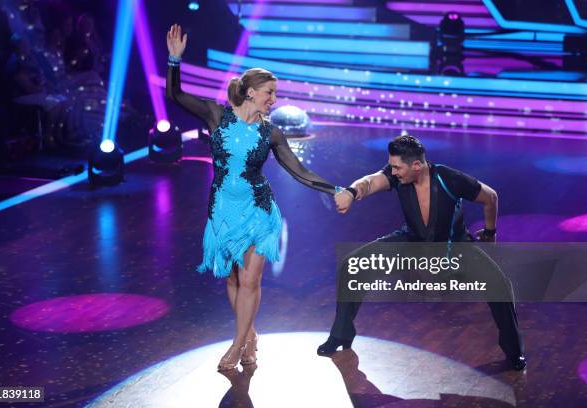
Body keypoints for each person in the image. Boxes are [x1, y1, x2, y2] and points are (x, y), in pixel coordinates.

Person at [166, 24, 349, 371]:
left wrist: (334, 188)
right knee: (234, 279)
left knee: (250, 280)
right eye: (268, 92)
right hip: (222, 210)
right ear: (249, 92)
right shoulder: (216, 116)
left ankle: (236, 347)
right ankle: (249, 334)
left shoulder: (271, 132)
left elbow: (299, 171)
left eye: (274, 94)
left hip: (258, 211)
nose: (273, 99)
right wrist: (174, 61)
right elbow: (175, 96)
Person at [317, 133, 527, 371]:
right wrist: (352, 193)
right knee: (352, 265)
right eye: (392, 166)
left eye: (397, 167)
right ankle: (342, 334)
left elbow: (490, 197)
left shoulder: (450, 178)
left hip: (454, 248)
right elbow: (371, 181)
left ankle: (514, 352)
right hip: (412, 242)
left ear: (417, 165)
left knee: (500, 286)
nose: (393, 172)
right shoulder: (398, 176)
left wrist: (490, 233)